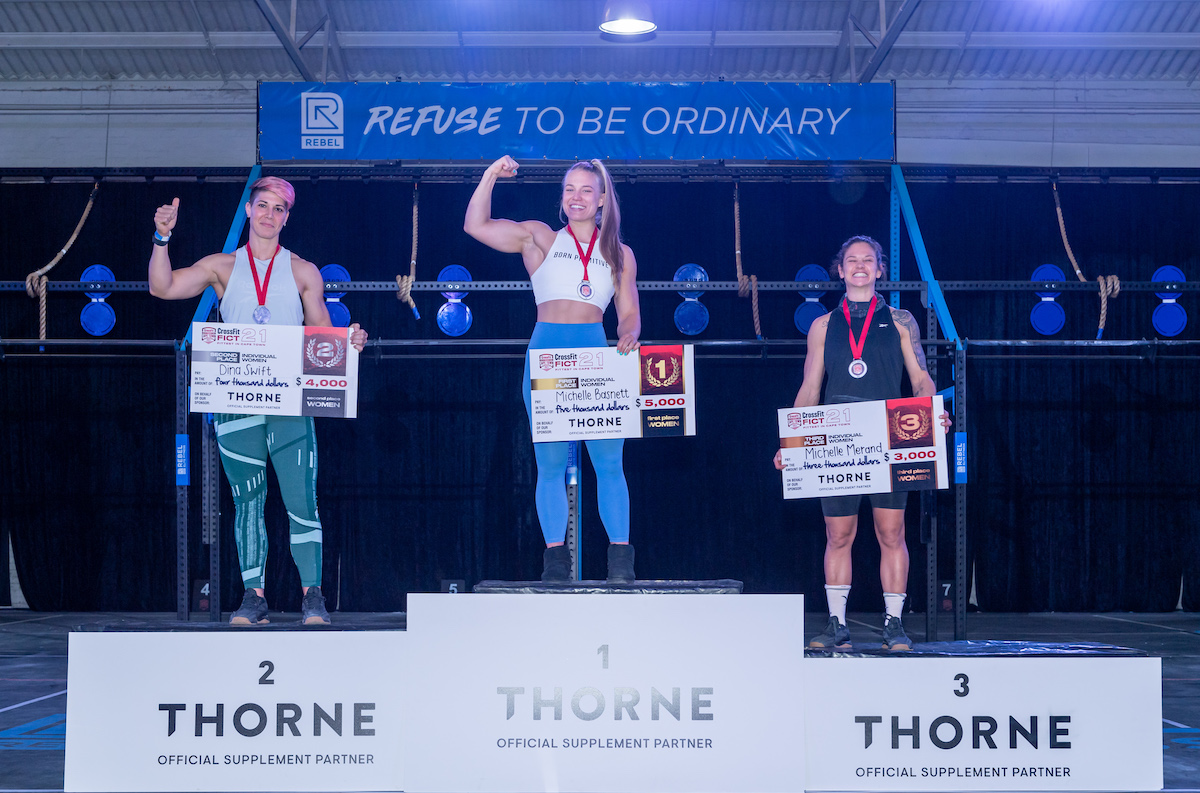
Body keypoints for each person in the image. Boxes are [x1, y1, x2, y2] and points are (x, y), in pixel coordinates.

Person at [148, 176, 367, 626]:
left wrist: (351, 342)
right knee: (248, 500)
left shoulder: (304, 270)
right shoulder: (221, 266)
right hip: (236, 398)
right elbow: (162, 288)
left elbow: (321, 333)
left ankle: (312, 597)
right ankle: (254, 596)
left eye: (278, 209)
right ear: (249, 211)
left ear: (288, 217)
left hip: (290, 400)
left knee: (301, 499)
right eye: (262, 206)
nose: (269, 215)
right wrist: (162, 237)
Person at [465, 156, 642, 583]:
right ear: (561, 198)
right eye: (569, 190)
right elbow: (476, 225)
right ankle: (555, 563)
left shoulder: (619, 253)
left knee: (609, 463)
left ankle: (620, 563)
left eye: (586, 190)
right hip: (547, 355)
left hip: (597, 358)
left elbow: (630, 311)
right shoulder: (540, 237)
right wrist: (491, 176)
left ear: (602, 200)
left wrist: (628, 332)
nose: (576, 197)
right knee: (549, 465)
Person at [775, 235, 949, 651]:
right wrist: (791, 443)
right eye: (851, 260)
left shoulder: (902, 320)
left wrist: (934, 412)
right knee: (838, 536)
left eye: (867, 260)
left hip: (889, 436)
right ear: (840, 269)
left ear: (879, 269)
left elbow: (920, 375)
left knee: (891, 533)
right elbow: (810, 387)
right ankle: (836, 625)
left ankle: (894, 624)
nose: (859, 266)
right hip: (835, 438)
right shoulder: (821, 326)